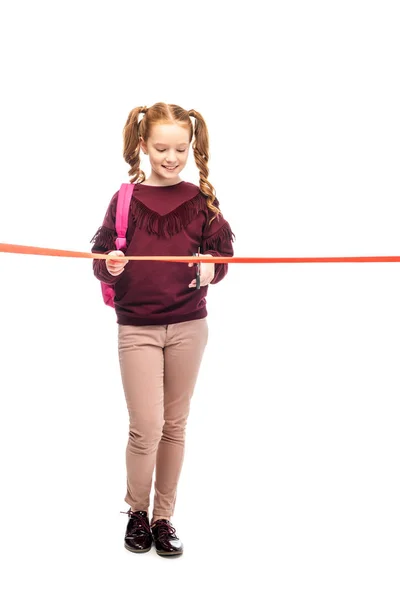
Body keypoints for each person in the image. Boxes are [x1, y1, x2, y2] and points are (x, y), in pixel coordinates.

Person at [90, 102, 235, 558]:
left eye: (180, 148)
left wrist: (212, 268)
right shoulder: (125, 200)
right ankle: (136, 511)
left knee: (174, 425)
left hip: (190, 326)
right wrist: (110, 264)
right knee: (146, 425)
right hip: (138, 328)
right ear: (142, 146)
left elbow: (222, 255)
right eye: (161, 148)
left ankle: (163, 517)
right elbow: (100, 260)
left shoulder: (200, 201)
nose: (171, 158)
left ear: (191, 147)